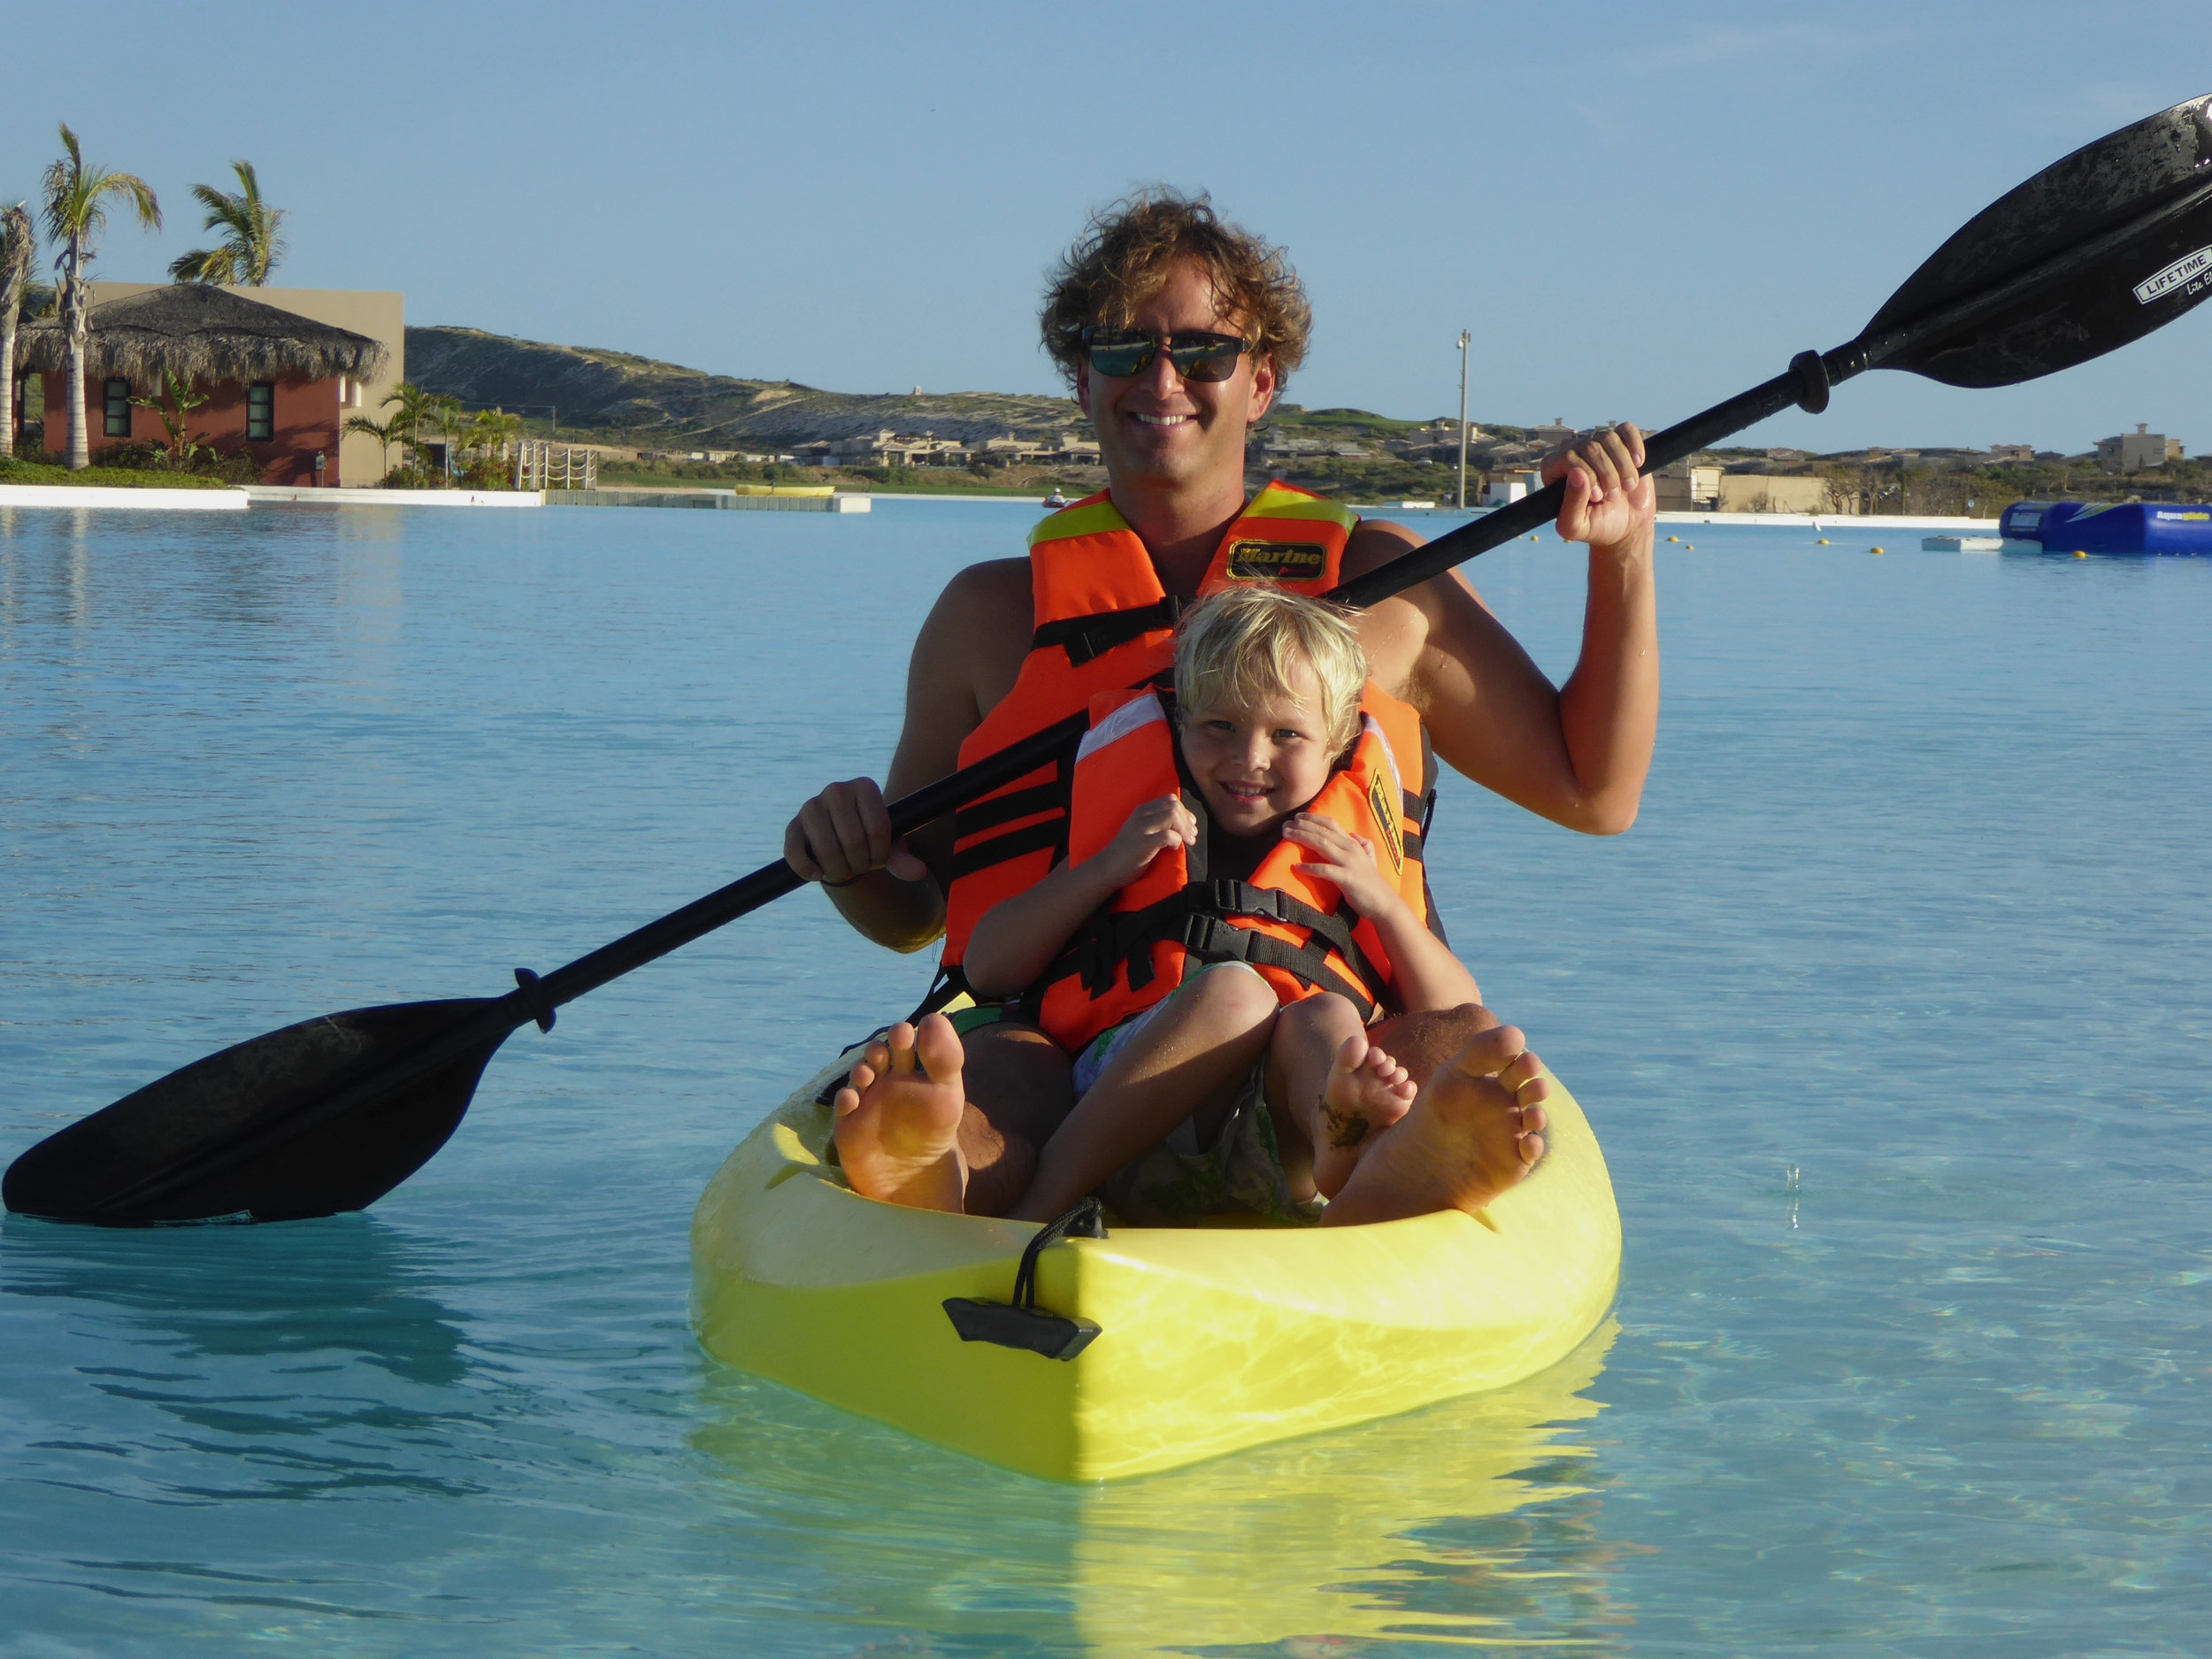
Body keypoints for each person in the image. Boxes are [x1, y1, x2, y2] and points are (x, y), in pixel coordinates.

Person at [785, 188, 1656, 1219]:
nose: (1161, 379)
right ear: (1079, 378)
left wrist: (1624, 558)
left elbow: (1594, 793)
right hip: (1065, 1040)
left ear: (1261, 382)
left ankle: (1385, 1166)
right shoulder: (987, 614)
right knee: (995, 1074)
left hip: (1319, 1042)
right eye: (1122, 349)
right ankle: (950, 1166)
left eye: (1203, 352)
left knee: (1444, 1048)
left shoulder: (1384, 585)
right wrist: (845, 859)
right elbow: (911, 907)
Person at [948, 585, 1533, 1226]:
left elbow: (1457, 1006)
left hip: (1276, 1140)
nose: (1249, 758)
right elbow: (988, 968)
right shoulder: (1135, 831)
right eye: (1220, 726)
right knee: (1237, 993)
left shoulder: (1352, 855)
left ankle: (1349, 1149)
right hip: (1114, 1130)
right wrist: (1104, 868)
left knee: (1329, 1014)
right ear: (1182, 723)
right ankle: (1038, 1198)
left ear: (1338, 744)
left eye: (1287, 734)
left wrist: (1385, 908)